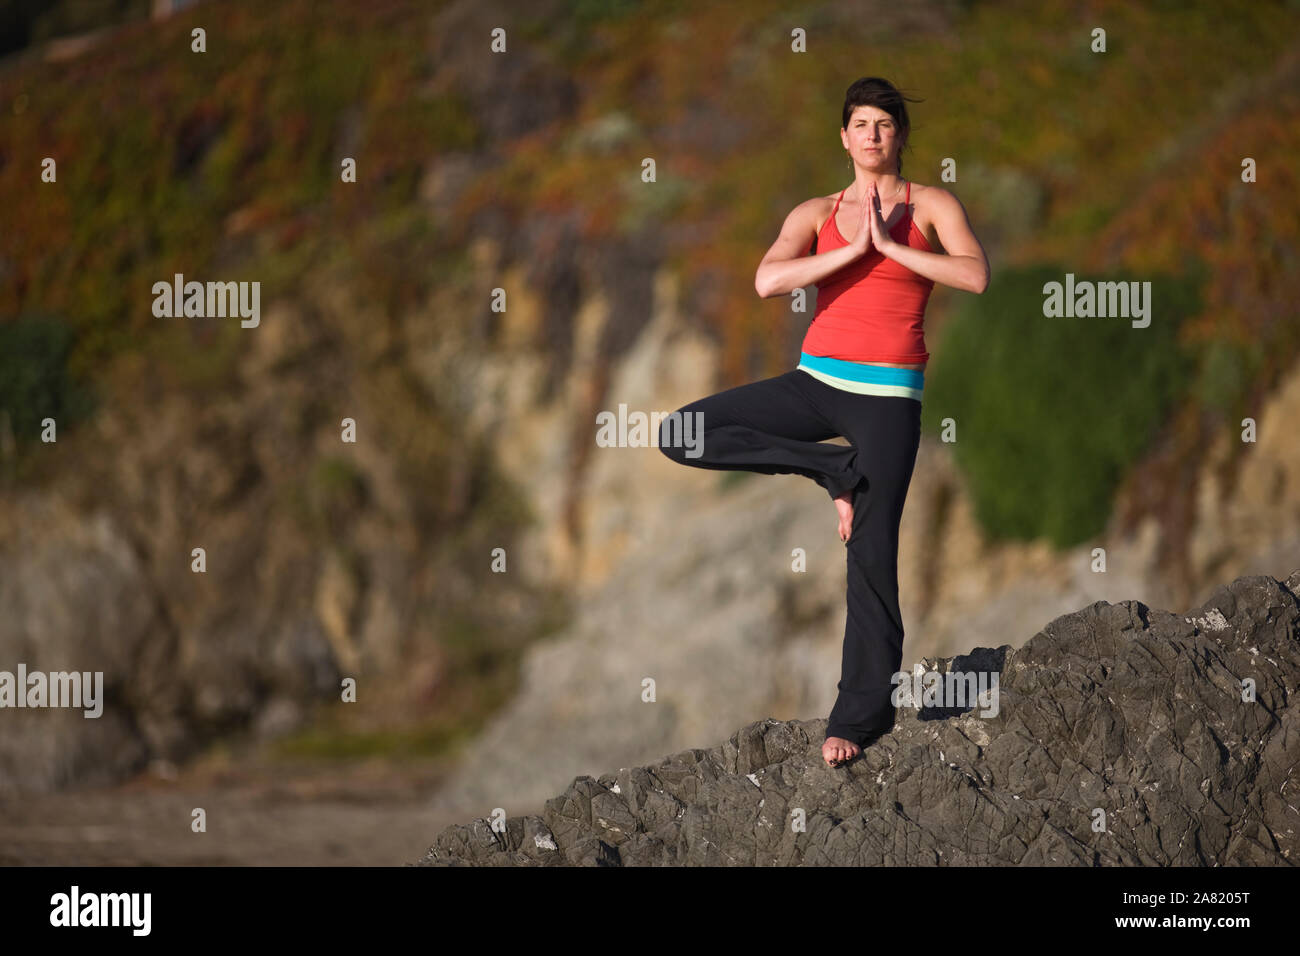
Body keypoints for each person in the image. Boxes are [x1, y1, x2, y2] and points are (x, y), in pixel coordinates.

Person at [658, 77, 990, 768]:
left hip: (888, 400)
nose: (872, 134)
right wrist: (852, 250)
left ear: (899, 136)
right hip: (815, 383)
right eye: (860, 124)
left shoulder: (931, 204)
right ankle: (832, 471)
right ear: (844, 137)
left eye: (884, 124)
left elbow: (974, 275)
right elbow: (767, 280)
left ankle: (860, 717)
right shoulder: (816, 210)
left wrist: (895, 249)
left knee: (870, 560)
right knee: (681, 432)